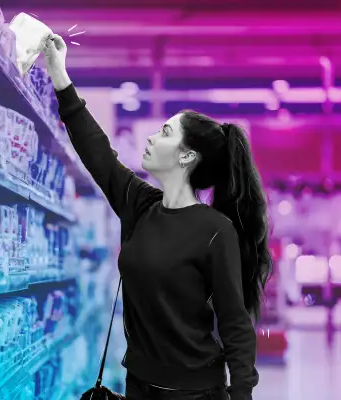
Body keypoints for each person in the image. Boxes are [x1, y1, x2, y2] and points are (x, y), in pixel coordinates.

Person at [42, 34, 272, 400]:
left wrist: (241, 394)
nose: (150, 137)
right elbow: (98, 154)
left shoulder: (215, 231)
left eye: (165, 132)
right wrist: (60, 76)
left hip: (196, 394)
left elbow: (235, 324)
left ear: (186, 157)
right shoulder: (140, 205)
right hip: (139, 387)